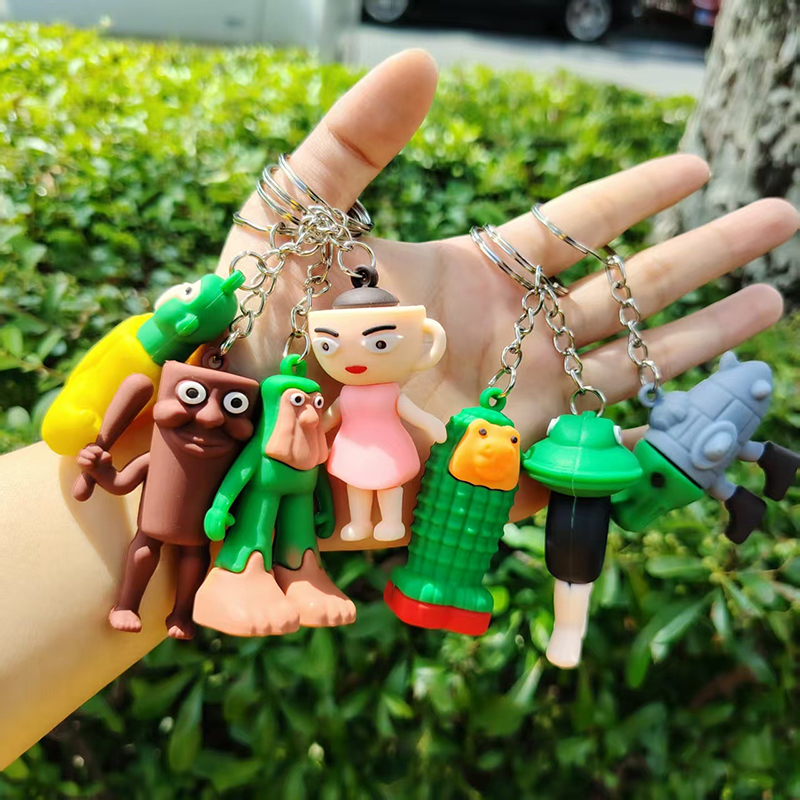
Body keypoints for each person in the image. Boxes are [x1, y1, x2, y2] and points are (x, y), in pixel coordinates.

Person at [0, 48, 797, 769]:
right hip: (315, 472)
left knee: (329, 520)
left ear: (420, 342)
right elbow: (244, 472)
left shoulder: (389, 390)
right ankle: (245, 576)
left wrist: (435, 433)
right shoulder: (286, 396)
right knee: (288, 519)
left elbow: (417, 424)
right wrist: (216, 476)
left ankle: (287, 571)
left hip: (376, 464)